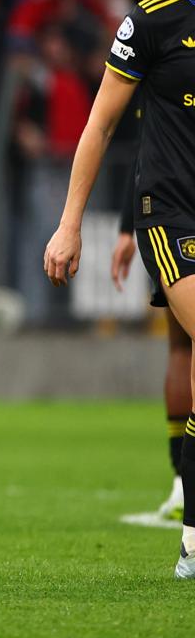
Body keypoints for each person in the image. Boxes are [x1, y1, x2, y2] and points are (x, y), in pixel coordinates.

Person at [45, 0, 195, 578]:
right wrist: (71, 222)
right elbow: (101, 125)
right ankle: (191, 528)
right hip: (173, 213)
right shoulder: (154, 18)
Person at [109, 105, 192, 523]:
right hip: (176, 211)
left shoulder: (158, 63)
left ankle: (181, 481)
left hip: (170, 212)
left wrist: (128, 227)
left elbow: (148, 148)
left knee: (182, 349)